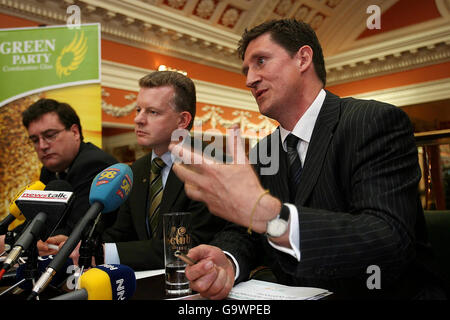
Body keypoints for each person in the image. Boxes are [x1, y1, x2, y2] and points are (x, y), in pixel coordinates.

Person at [169, 19, 447, 299]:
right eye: (247, 70)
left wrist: (274, 217)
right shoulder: (262, 151)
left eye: (261, 61)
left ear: (303, 58)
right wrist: (227, 260)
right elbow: (245, 233)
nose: (249, 80)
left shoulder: (374, 122)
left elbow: (387, 238)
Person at [68, 71, 226, 271]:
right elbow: (121, 233)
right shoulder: (135, 170)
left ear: (182, 121)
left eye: (153, 112)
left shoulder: (209, 166)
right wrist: (81, 246)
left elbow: (187, 246)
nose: (138, 120)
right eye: (138, 110)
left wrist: (103, 253)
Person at [19, 99, 118, 255]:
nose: (42, 146)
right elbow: (39, 221)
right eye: (34, 140)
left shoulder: (94, 164)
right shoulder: (49, 171)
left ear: (75, 132)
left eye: (50, 135)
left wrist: (14, 242)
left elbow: (75, 229)